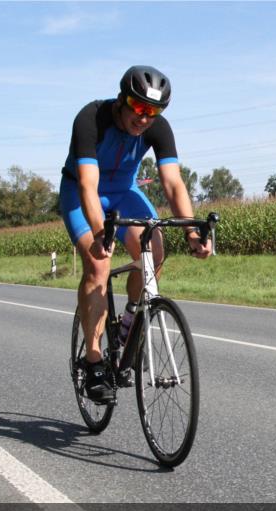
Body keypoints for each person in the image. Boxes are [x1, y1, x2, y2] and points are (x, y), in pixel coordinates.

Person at [60, 65, 211, 402]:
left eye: (153, 111)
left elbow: (172, 183)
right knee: (98, 265)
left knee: (154, 251)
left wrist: (191, 233)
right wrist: (101, 233)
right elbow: (87, 183)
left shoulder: (158, 128)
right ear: (122, 99)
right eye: (139, 107)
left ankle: (129, 318)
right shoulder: (91, 117)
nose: (144, 118)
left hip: (124, 191)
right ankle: (95, 360)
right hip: (84, 192)